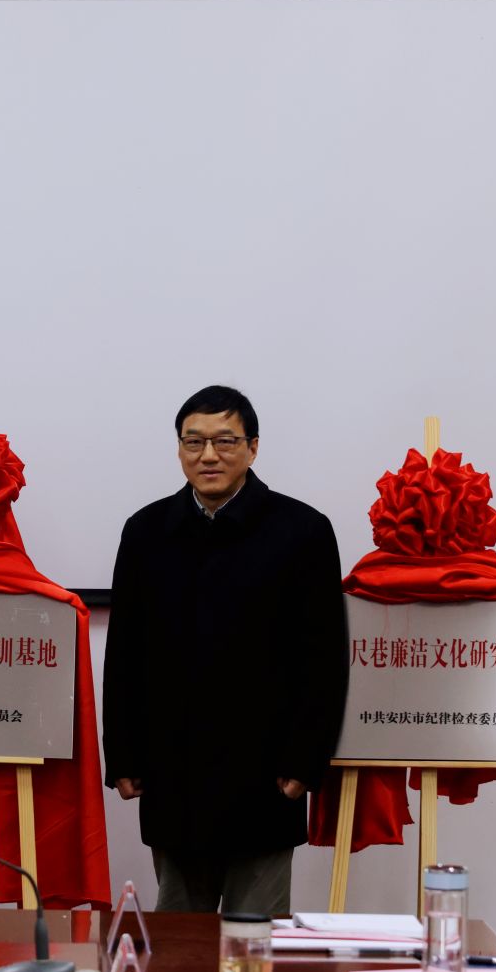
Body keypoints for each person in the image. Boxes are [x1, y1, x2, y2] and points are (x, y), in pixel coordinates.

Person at [101, 384, 349, 915]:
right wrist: (122, 752)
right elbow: (124, 652)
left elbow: (324, 658)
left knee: (255, 940)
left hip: (265, 773)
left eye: (225, 441)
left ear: (253, 448)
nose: (208, 455)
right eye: (193, 442)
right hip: (174, 770)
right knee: (177, 940)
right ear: (179, 449)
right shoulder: (146, 532)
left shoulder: (302, 531)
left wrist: (306, 760)